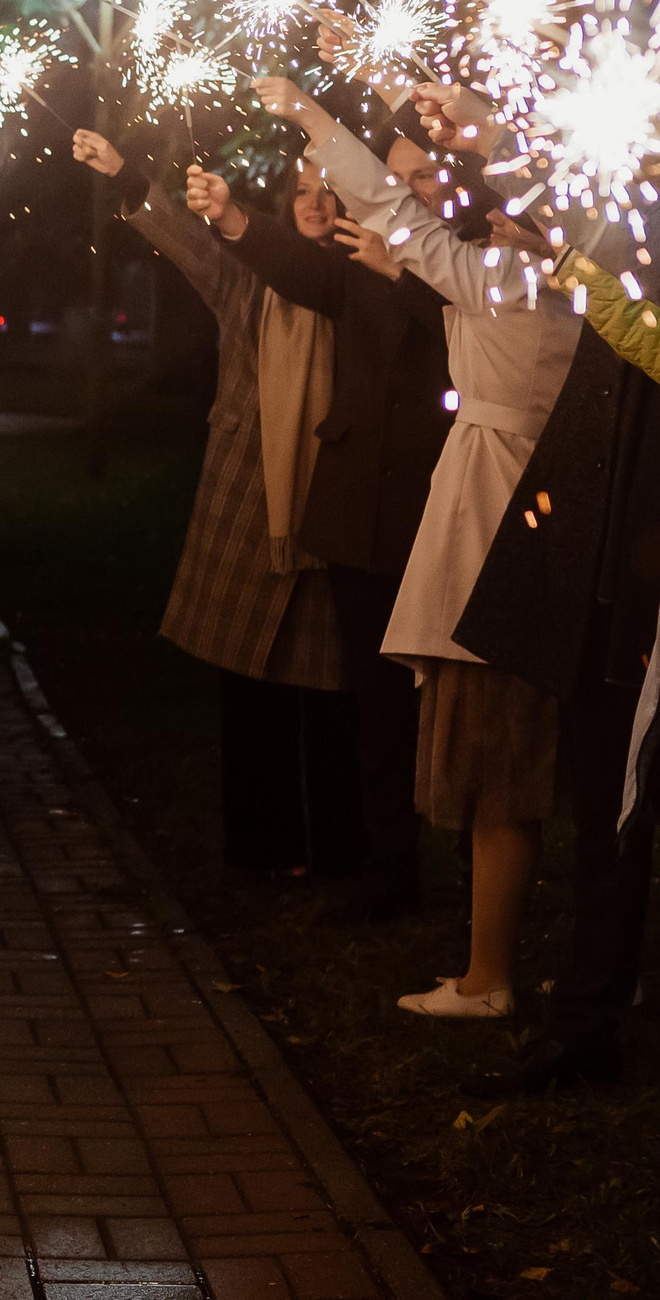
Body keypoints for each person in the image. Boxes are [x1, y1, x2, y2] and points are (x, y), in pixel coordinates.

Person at [419, 78, 660, 1126]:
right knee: (607, 799)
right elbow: (634, 309)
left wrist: (511, 147)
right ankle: (587, 1014)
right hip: (614, 563)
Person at [259, 74, 582, 1020]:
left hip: (491, 523)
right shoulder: (568, 284)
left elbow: (394, 208)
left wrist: (313, 114)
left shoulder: (512, 280)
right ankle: (539, 963)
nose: (484, 208)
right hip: (534, 514)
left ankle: (489, 978)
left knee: (497, 757)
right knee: (514, 759)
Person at [178, 110, 454, 919]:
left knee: (433, 703)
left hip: (434, 506)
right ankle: (387, 865)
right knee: (370, 701)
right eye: (393, 175)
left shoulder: (458, 263)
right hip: (356, 510)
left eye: (417, 177)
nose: (402, 189)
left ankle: (460, 864)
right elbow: (296, 266)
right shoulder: (355, 259)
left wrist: (402, 275)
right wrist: (229, 214)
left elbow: (458, 337)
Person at [71, 130, 356, 878]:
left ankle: (335, 855)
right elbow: (188, 244)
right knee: (249, 688)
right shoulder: (250, 277)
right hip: (248, 500)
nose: (317, 202)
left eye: (329, 191)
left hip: (330, 505)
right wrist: (129, 175)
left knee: (332, 694)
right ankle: (263, 853)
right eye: (301, 191)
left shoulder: (367, 280)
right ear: (283, 206)